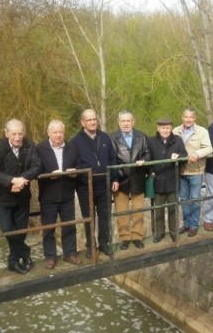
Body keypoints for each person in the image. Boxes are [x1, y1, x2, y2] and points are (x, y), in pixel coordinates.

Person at [0, 119, 41, 274]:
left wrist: (22, 180)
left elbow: (37, 166)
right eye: (14, 134)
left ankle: (13, 262)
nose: (17, 137)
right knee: (8, 229)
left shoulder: (30, 145)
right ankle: (26, 253)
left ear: (24, 133)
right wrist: (11, 181)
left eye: (20, 133)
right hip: (2, 198)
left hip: (22, 197)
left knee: (21, 231)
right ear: (6, 133)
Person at [71, 109, 119, 257]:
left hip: (104, 184)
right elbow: (75, 163)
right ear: (82, 122)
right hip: (85, 186)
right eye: (89, 120)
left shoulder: (105, 137)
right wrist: (85, 175)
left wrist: (115, 178)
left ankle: (104, 244)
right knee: (89, 216)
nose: (92, 122)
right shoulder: (75, 141)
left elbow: (112, 159)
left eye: (94, 119)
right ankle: (91, 246)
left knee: (105, 216)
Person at [35, 120, 82, 269]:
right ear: (48, 133)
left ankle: (70, 254)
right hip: (48, 195)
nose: (58, 135)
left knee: (69, 226)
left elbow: (80, 166)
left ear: (64, 133)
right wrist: (48, 175)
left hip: (67, 193)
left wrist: (75, 173)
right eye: (55, 132)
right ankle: (50, 257)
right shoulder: (39, 149)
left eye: (61, 132)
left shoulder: (72, 148)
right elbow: (35, 170)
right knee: (48, 228)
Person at [110, 110, 151, 250]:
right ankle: (124, 238)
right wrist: (114, 177)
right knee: (121, 211)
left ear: (133, 121)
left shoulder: (142, 136)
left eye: (128, 120)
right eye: (123, 121)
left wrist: (143, 160)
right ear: (118, 122)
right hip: (120, 180)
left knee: (138, 210)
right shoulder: (112, 138)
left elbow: (148, 153)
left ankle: (137, 236)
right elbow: (111, 160)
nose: (126, 123)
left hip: (138, 177)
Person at [173, 108, 213, 237]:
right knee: (184, 199)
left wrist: (197, 153)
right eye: (186, 117)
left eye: (191, 117)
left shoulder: (202, 131)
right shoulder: (175, 131)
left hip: (196, 170)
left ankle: (194, 225)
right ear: (182, 118)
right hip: (181, 170)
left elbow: (209, 148)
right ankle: (186, 224)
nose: (188, 120)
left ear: (194, 118)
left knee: (195, 199)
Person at [148, 118, 188, 242]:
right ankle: (159, 233)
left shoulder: (178, 140)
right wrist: (150, 171)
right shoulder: (151, 141)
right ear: (158, 129)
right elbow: (147, 157)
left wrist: (179, 157)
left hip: (172, 179)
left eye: (167, 128)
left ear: (171, 128)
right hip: (158, 179)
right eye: (163, 128)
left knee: (173, 208)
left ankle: (173, 232)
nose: (165, 130)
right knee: (158, 208)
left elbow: (185, 156)